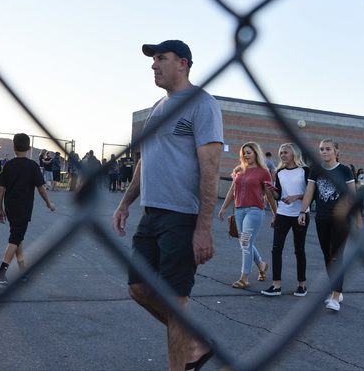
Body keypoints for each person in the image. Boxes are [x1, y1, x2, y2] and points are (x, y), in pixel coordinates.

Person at [112, 40, 223, 370]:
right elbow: (146, 161)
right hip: (152, 214)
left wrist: (204, 228)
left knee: (176, 301)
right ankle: (197, 344)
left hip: (182, 216)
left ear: (183, 64)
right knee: (138, 287)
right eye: (153, 59)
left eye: (161, 58)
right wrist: (124, 203)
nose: (154, 65)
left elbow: (211, 168)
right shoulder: (157, 108)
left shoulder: (202, 104)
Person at [298, 138, 363, 312]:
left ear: (336, 151)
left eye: (328, 149)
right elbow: (309, 193)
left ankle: (335, 296)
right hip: (322, 217)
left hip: (341, 219)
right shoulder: (316, 171)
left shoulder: (344, 171)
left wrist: (358, 219)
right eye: (321, 149)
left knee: (336, 256)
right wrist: (302, 211)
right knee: (328, 256)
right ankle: (337, 289)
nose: (324, 152)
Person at [0, 133, 55, 287]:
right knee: (15, 238)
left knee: (17, 236)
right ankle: (0, 275)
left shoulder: (8, 165)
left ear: (13, 147)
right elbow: (41, 188)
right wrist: (48, 203)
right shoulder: (32, 166)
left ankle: (22, 271)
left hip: (11, 207)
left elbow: (1, 189)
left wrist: (0, 209)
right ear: (29, 148)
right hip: (24, 208)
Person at [218, 142, 276, 289]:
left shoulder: (264, 172)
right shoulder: (239, 170)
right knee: (245, 242)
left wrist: (276, 214)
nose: (246, 155)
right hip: (238, 210)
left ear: (256, 153)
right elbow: (232, 190)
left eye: (249, 152)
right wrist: (223, 208)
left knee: (245, 242)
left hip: (254, 210)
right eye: (244, 153)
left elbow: (269, 195)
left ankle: (244, 278)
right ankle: (261, 265)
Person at [261, 143, 309, 297]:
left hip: (300, 214)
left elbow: (311, 193)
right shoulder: (280, 172)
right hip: (283, 213)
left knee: (299, 250)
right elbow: (278, 195)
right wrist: (272, 191)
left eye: (285, 152)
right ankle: (276, 286)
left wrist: (296, 197)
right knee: (276, 248)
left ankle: (301, 285)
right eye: (281, 153)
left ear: (294, 154)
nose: (282, 155)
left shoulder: (305, 171)